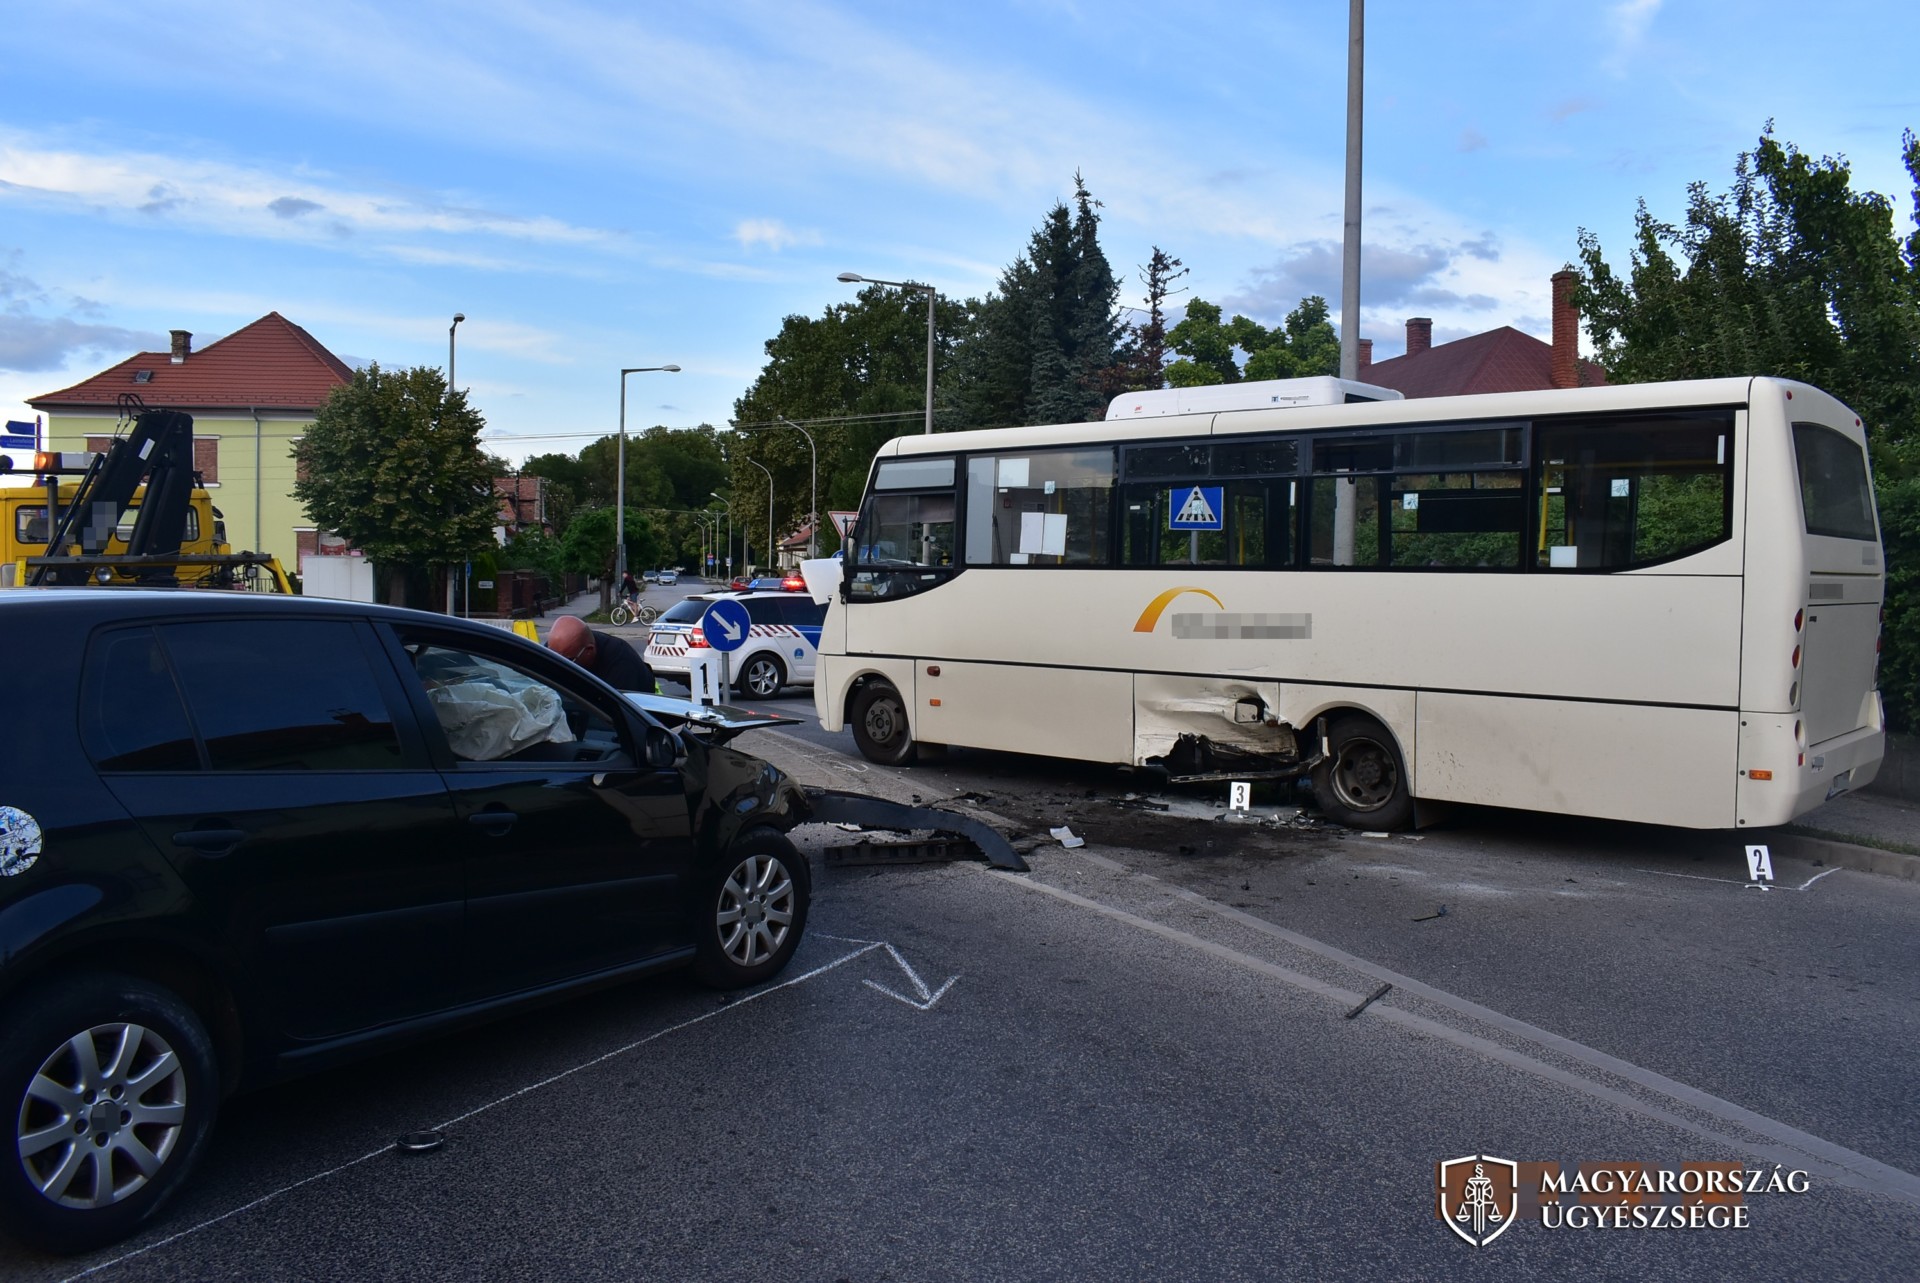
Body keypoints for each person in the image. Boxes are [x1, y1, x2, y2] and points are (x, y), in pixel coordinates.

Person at [546, 614, 655, 692]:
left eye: (568, 661)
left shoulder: (622, 664)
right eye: (552, 657)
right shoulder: (557, 648)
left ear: (589, 650)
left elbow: (619, 713)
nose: (558, 666)